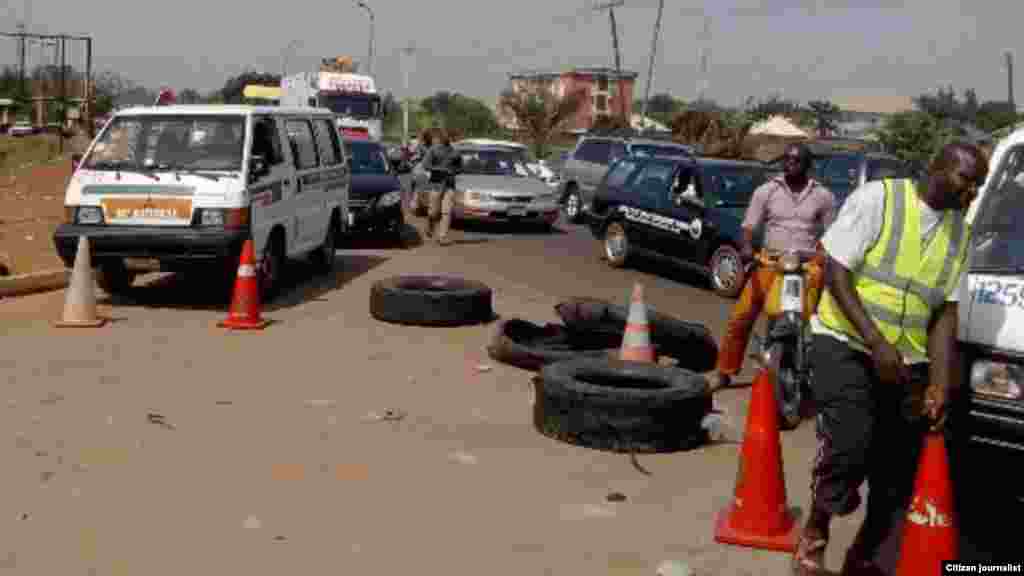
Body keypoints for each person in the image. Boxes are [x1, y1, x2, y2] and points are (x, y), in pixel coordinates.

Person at [792, 141, 988, 576]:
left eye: (978, 185)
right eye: (965, 180)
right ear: (936, 165)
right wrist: (876, 341)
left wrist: (938, 382)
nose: (970, 192)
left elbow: (944, 312)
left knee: (896, 471)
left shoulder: (961, 233)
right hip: (844, 341)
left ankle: (863, 560)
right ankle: (815, 532)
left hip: (905, 362)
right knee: (851, 442)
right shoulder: (879, 199)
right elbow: (837, 273)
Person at [709, 142, 836, 391]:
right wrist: (746, 247)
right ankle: (723, 372)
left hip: (807, 266)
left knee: (819, 320)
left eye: (796, 160)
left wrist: (822, 255)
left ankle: (817, 375)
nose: (790, 164)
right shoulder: (766, 191)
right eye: (786, 160)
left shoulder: (824, 197)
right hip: (771, 262)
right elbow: (748, 227)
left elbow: (833, 234)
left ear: (808, 165)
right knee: (741, 316)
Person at [423, 130, 459, 245]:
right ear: (441, 138)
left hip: (449, 186)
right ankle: (430, 225)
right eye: (445, 137)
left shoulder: (455, 153)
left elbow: (460, 168)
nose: (447, 139)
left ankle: (442, 236)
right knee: (433, 212)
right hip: (436, 185)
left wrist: (453, 171)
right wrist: (441, 170)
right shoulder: (433, 150)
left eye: (449, 137)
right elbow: (426, 165)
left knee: (447, 212)